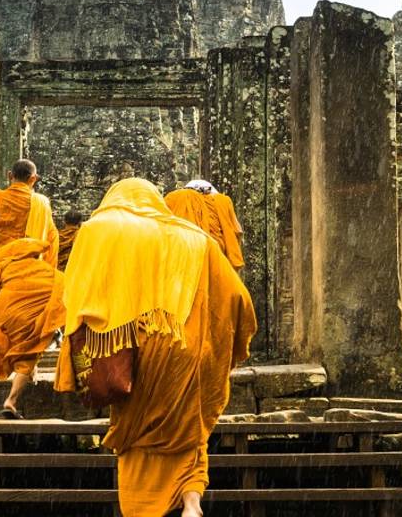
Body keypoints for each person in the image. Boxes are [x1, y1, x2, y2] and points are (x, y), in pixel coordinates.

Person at [55, 178, 257, 517]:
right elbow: (238, 298)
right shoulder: (196, 239)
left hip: (136, 349)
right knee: (189, 427)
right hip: (188, 350)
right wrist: (225, 345)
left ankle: (143, 508)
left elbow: (79, 295)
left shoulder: (102, 229)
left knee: (137, 436)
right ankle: (190, 503)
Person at [0, 159, 62, 417]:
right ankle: (15, 391)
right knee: (34, 332)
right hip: (31, 272)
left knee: (3, 325)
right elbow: (51, 242)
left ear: (9, 176)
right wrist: (47, 273)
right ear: (34, 179)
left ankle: (11, 367)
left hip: (1, 273)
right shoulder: (41, 203)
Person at [164, 179, 245, 270]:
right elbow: (234, 236)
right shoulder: (222, 202)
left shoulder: (174, 198)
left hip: (183, 259)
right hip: (215, 260)